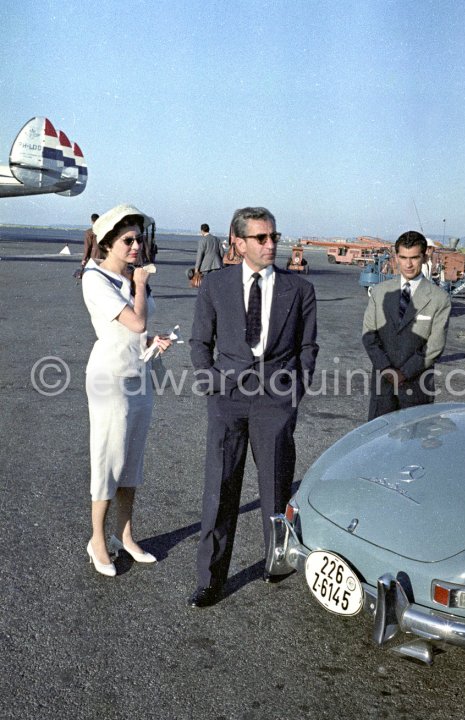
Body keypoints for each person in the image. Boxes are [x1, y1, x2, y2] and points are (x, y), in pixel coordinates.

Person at [188, 206, 318, 607]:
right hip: (227, 400)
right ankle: (211, 579)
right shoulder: (216, 285)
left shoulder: (299, 290)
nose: (270, 244)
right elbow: (199, 342)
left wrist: (292, 393)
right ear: (238, 243)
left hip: (275, 402)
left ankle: (276, 561)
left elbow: (307, 347)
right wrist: (209, 381)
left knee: (275, 488)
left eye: (273, 236)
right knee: (220, 489)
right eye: (261, 238)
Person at [81, 204, 173, 576]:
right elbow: (134, 321)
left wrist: (154, 340)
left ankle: (125, 535)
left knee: (131, 458)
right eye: (128, 239)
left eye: (139, 238)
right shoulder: (95, 278)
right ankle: (97, 540)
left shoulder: (129, 277)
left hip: (138, 373)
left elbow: (136, 331)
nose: (136, 246)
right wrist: (139, 285)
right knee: (108, 459)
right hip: (109, 379)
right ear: (108, 243)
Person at [362, 230, 451, 421]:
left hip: (417, 388)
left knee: (414, 443)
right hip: (383, 388)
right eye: (403, 257)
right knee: (379, 444)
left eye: (414, 258)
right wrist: (387, 369)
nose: (408, 264)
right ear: (396, 257)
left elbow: (435, 346)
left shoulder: (438, 298)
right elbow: (369, 336)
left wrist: (404, 373)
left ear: (424, 257)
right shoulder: (379, 293)